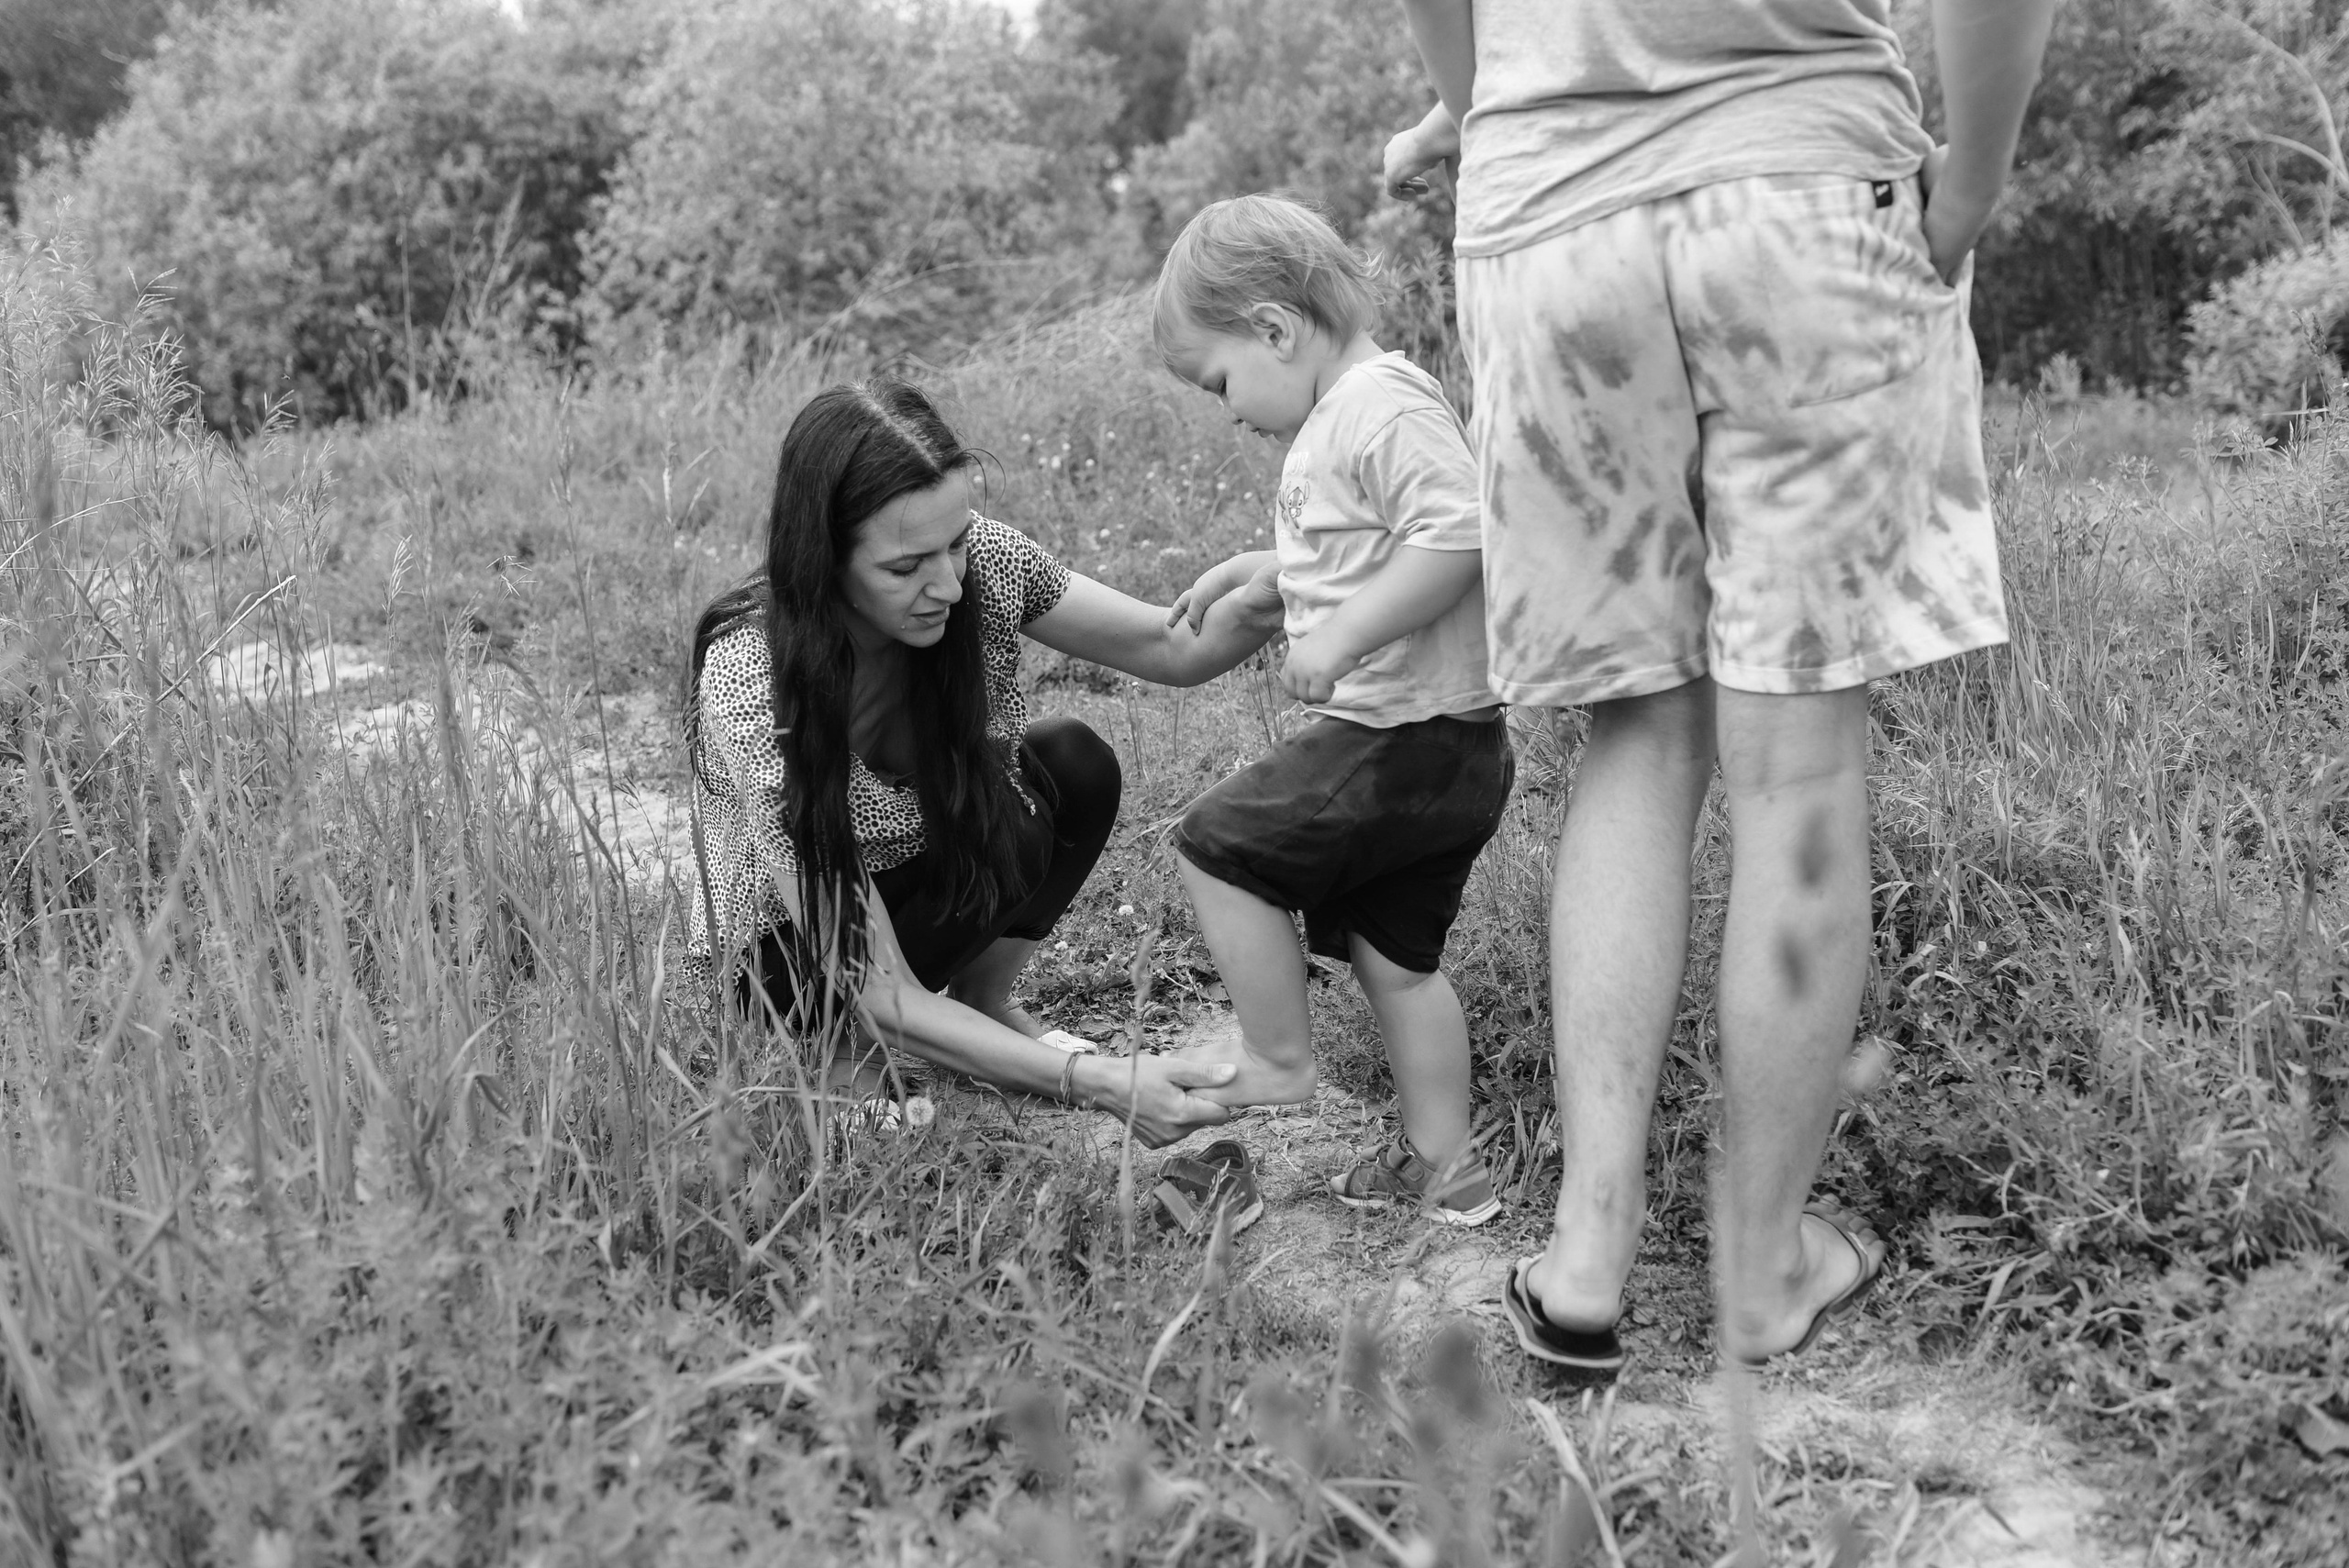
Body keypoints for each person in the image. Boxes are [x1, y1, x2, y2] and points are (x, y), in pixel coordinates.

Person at [1386, 0, 2053, 1368]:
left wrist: (1489, 102)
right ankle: (1762, 1268)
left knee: (1636, 733)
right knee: (1796, 761)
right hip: (1797, 193)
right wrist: (1970, 183)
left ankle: (1586, 1254)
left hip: (1548, 226)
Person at [683, 376, 1288, 1147]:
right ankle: (837, 1061)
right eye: (905, 568)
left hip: (921, 884)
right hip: (789, 960)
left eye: (957, 540)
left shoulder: (986, 566)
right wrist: (1098, 1081)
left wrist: (1297, 578)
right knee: (860, 1010)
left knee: (1071, 763)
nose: (948, 581)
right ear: (824, 560)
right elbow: (880, 985)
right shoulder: (752, 677)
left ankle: (981, 1007)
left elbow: (1168, 644)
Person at [1153, 195, 1514, 1225]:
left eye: (1219, 379)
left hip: (1402, 736)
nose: (1226, 408)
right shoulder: (1345, 415)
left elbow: (1455, 538)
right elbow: (1368, 544)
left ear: (1273, 326)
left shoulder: (1380, 402)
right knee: (1395, 963)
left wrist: (1341, 638)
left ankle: (1274, 1056)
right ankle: (1445, 1166)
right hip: (1444, 748)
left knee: (1216, 844)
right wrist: (1267, 567)